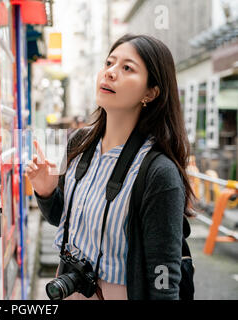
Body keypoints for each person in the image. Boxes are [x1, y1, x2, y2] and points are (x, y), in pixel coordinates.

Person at [25, 34, 194, 300]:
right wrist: (46, 193)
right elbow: (67, 221)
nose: (111, 73)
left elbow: (164, 274)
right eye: (109, 63)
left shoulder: (158, 173)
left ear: (151, 92)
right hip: (70, 287)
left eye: (127, 68)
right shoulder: (80, 144)